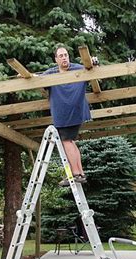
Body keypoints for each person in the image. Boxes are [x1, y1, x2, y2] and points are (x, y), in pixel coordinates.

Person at [43, 45, 91, 187]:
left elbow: (90, 69)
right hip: (63, 115)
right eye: (61, 56)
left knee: (66, 142)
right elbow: (38, 78)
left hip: (73, 113)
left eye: (66, 55)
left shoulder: (77, 69)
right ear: (56, 59)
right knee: (70, 141)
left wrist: (93, 63)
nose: (64, 58)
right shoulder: (52, 72)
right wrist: (26, 77)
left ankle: (75, 174)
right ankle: (80, 173)